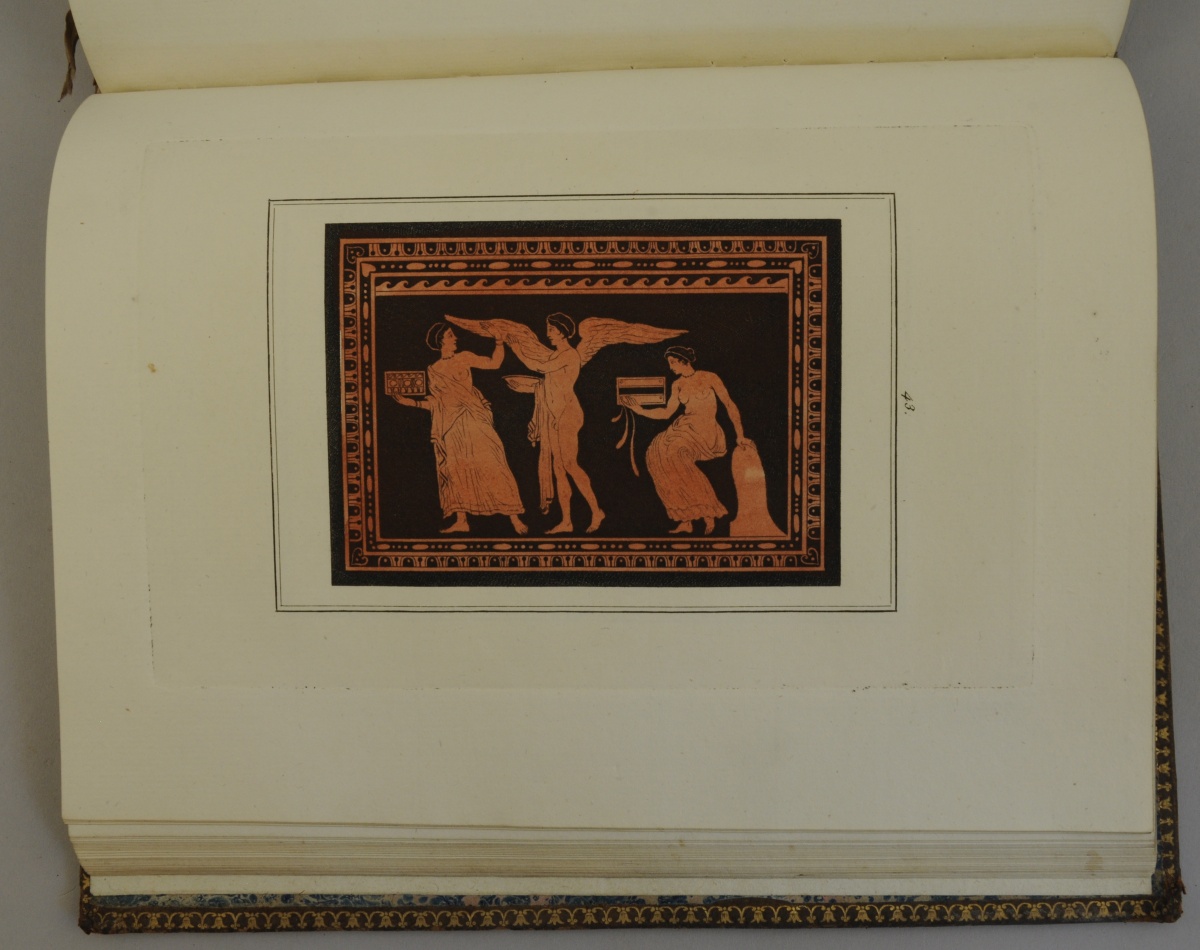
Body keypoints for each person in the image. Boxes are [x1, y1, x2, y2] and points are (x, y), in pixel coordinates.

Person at [390, 323, 527, 535]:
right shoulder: (433, 370)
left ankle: (514, 517)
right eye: (450, 336)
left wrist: (499, 341)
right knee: (457, 469)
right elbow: (437, 403)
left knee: (494, 462)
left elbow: (494, 364)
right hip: (451, 425)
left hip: (474, 418)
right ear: (440, 341)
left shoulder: (463, 357)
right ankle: (462, 520)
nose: (455, 339)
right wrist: (412, 403)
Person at [621, 345, 751, 535]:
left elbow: (730, 405)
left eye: (673, 362)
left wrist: (740, 435)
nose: (670, 367)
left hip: (706, 431)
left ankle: (708, 511)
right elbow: (666, 413)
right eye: (669, 363)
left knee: (674, 455)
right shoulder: (677, 384)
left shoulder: (709, 377)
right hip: (684, 427)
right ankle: (686, 519)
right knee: (655, 454)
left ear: (684, 361)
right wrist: (639, 410)